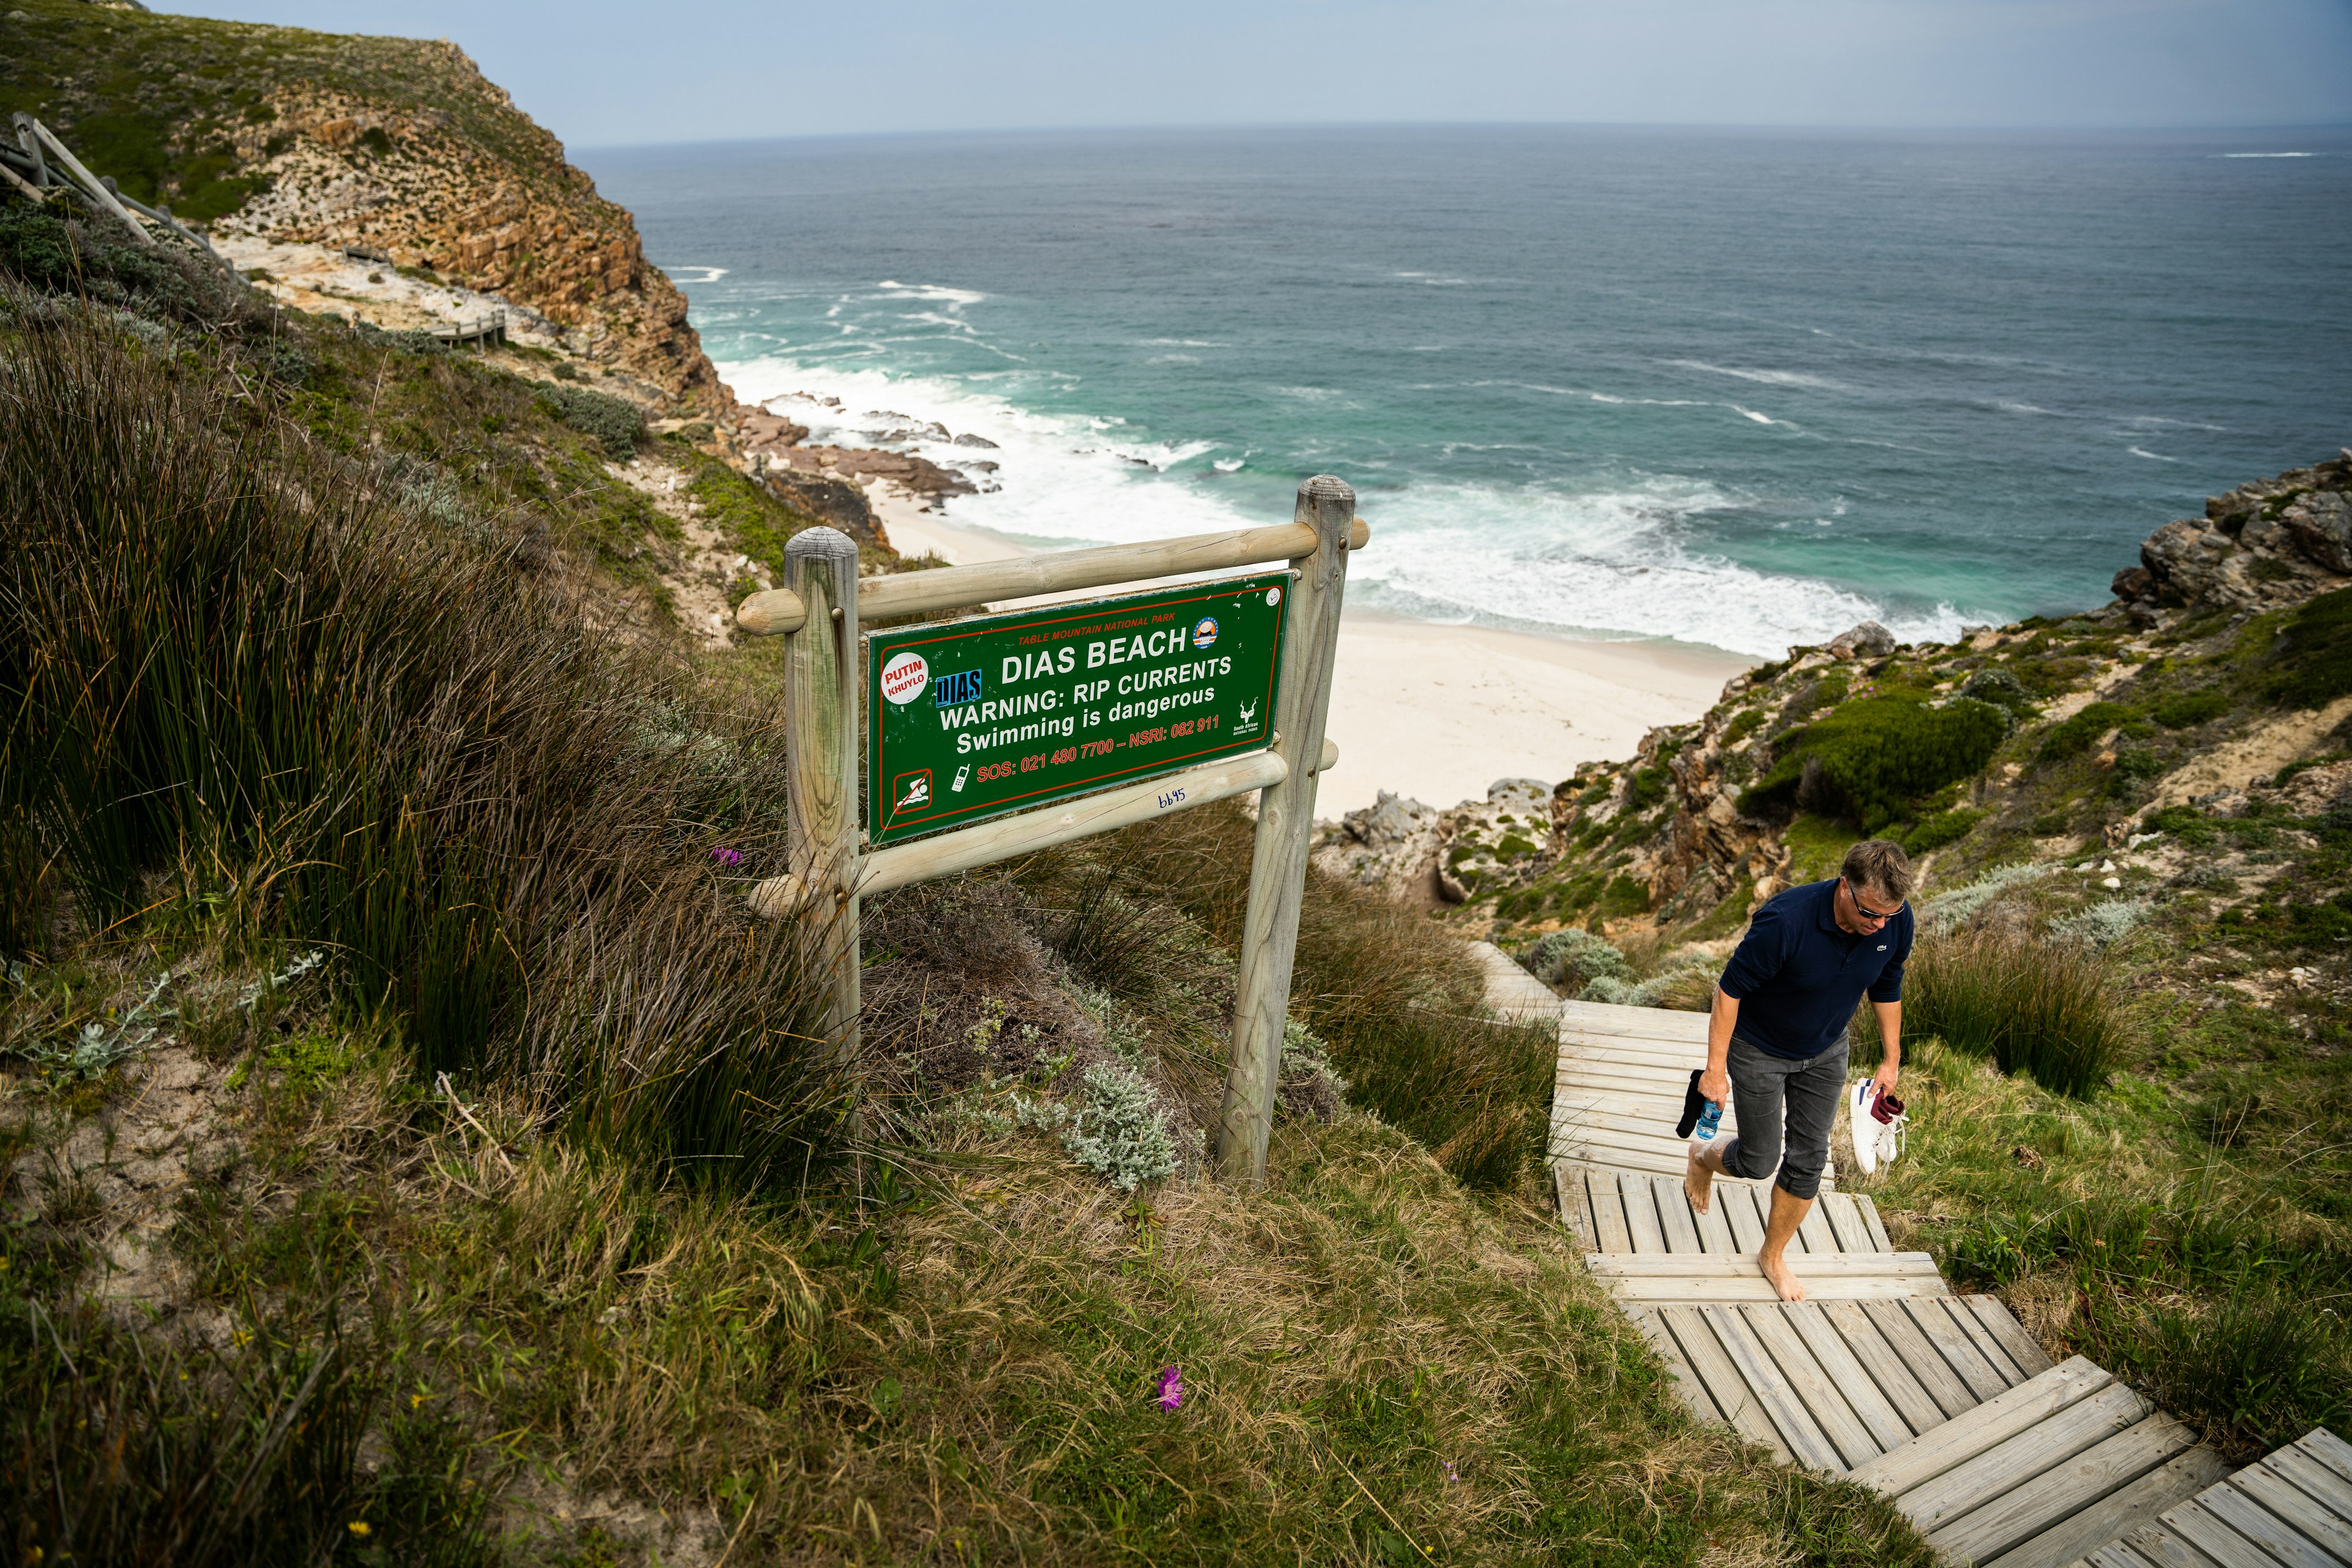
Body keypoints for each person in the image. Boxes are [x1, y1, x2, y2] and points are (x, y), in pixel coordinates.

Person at [1685, 839, 1914, 1301]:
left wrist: (1890, 1061)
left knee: (1809, 1160)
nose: (1880, 925)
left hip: (1827, 1050)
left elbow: (1887, 986)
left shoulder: (1894, 919)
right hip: (1759, 1050)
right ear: (1845, 888)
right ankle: (1701, 1158)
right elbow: (1728, 993)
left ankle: (1772, 1255)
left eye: (1889, 915)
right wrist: (1715, 1071)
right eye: (1871, 913)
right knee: (1758, 1160)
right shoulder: (1785, 920)